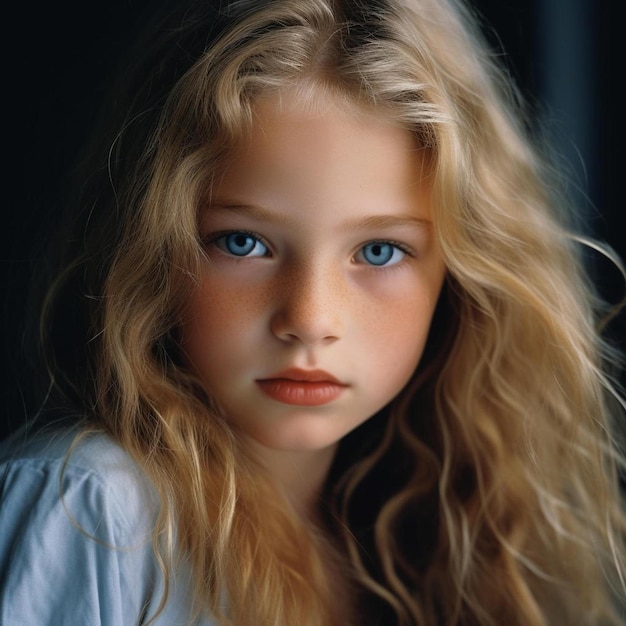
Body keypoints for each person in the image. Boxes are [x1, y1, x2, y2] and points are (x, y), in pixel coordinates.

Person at [1, 0, 624, 624]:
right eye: (243, 242)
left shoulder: (429, 546)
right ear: (151, 244)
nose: (310, 318)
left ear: (461, 276)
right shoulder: (90, 509)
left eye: (379, 251)